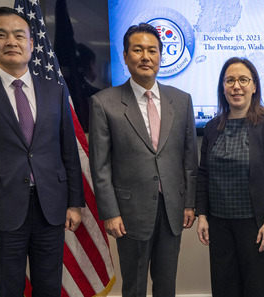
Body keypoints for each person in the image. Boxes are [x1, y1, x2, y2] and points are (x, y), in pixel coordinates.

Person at [0, 7, 84, 297]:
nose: (11, 41)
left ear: (31, 43)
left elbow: (68, 150)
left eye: (18, 35)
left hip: (51, 207)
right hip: (1, 210)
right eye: (1, 35)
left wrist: (75, 202)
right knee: (8, 288)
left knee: (49, 287)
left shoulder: (55, 89)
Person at [89, 23, 198, 297]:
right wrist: (110, 212)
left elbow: (189, 158)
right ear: (125, 56)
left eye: (152, 50)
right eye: (137, 50)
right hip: (129, 213)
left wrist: (189, 202)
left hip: (172, 209)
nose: (145, 57)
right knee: (134, 287)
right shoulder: (104, 102)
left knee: (166, 286)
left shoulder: (181, 100)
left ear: (161, 56)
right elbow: (99, 166)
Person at [195, 57, 264, 297]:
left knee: (258, 290)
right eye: (230, 80)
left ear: (254, 86)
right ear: (223, 87)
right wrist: (202, 215)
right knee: (224, 290)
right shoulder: (212, 127)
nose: (236, 86)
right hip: (220, 226)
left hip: (256, 226)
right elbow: (203, 173)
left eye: (243, 80)